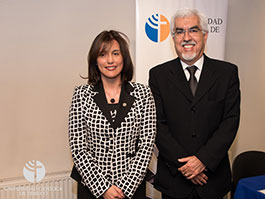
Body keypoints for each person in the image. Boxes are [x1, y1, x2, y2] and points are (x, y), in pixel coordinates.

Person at [149, 8, 240, 199]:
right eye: (180, 31)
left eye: (193, 30)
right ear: (173, 38)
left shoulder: (227, 73)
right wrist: (187, 166)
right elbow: (157, 125)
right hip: (175, 182)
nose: (186, 37)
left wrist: (202, 161)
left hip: (212, 180)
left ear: (205, 35)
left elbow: (230, 122)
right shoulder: (158, 75)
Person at [68, 30, 156, 199]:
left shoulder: (143, 94)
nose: (110, 60)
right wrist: (103, 188)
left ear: (124, 58)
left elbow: (146, 144)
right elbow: (78, 148)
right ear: (95, 60)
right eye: (103, 54)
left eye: (116, 53)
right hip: (92, 188)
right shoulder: (81, 95)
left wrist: (125, 186)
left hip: (131, 188)